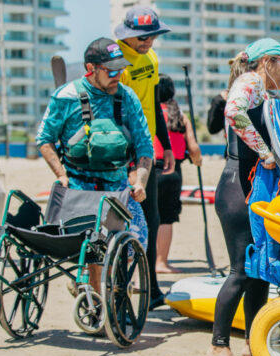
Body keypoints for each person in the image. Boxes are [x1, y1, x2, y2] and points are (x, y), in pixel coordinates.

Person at [207, 38, 280, 356]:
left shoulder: (263, 92)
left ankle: (252, 341)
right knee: (241, 269)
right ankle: (218, 347)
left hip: (251, 190)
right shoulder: (249, 82)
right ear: (267, 62)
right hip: (237, 189)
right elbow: (232, 112)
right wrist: (264, 152)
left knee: (259, 269)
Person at [35, 37, 153, 293]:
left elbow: (144, 145)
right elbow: (44, 140)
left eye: (121, 69)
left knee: (138, 243)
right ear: (91, 67)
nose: (118, 75)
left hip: (118, 184)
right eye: (111, 70)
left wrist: (140, 181)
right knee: (92, 247)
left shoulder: (127, 97)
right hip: (79, 186)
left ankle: (114, 283)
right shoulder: (65, 96)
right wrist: (61, 175)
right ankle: (95, 294)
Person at [114, 5, 175, 309]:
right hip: (124, 152)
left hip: (146, 152)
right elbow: (115, 114)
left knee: (151, 218)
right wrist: (126, 155)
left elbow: (153, 104)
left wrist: (165, 145)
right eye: (141, 36)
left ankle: (150, 288)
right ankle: (120, 289)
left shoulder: (151, 57)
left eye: (152, 34)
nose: (148, 40)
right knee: (125, 221)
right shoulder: (118, 62)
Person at [154, 74, 203, 273]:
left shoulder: (150, 113)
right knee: (166, 218)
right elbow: (194, 148)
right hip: (174, 173)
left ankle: (143, 260)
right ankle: (161, 262)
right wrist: (197, 161)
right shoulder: (180, 117)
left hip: (151, 169)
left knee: (148, 216)